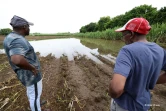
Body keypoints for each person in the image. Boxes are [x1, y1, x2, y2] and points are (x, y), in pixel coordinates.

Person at [109, 17, 166, 111]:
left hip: (124, 106)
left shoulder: (127, 51)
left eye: (124, 34)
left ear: (131, 34)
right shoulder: (160, 50)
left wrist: (111, 92)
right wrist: (148, 81)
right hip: (144, 105)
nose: (123, 38)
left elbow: (116, 89)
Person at [3, 15, 43, 111]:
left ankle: (34, 105)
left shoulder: (10, 37)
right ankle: (35, 107)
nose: (29, 29)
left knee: (31, 93)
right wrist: (32, 68)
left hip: (24, 74)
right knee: (35, 95)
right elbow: (17, 59)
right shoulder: (18, 40)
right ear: (24, 27)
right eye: (28, 26)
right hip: (31, 75)